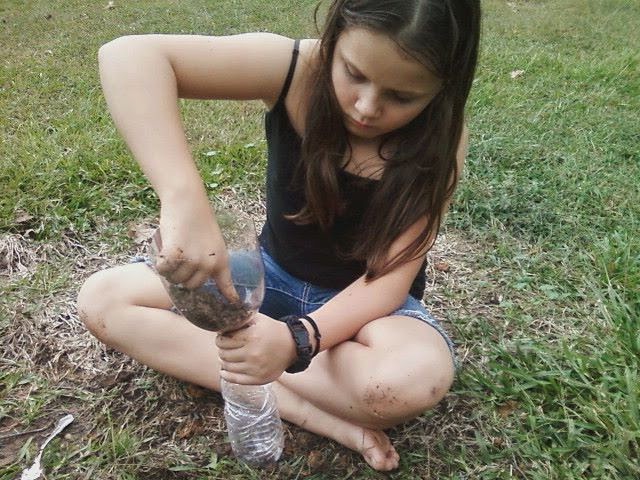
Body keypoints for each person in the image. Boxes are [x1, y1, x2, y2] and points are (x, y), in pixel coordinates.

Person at [77, 0, 481, 471]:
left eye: (403, 96)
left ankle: (266, 362)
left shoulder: (443, 140)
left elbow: (390, 279)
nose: (367, 107)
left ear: (445, 86)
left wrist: (297, 341)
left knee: (410, 381)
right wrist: (182, 197)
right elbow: (129, 56)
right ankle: (316, 413)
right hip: (266, 279)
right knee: (105, 299)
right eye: (353, 73)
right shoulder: (295, 68)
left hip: (366, 310)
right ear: (333, 38)